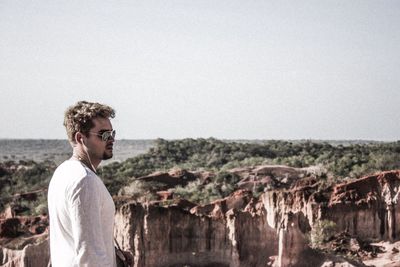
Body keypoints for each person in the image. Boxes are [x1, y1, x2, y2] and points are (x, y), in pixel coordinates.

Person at [48, 101, 117, 267]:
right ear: (80, 138)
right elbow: (90, 257)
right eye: (104, 135)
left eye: (112, 133)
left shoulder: (63, 172)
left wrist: (114, 254)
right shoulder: (84, 180)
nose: (112, 139)